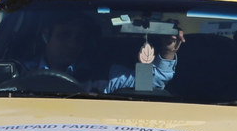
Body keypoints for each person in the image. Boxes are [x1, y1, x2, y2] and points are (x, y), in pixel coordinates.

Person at [24, 15, 182, 93]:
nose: (72, 44)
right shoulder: (19, 71)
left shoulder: (104, 74)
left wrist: (168, 51)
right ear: (46, 36)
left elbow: (149, 84)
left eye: (79, 37)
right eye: (64, 35)